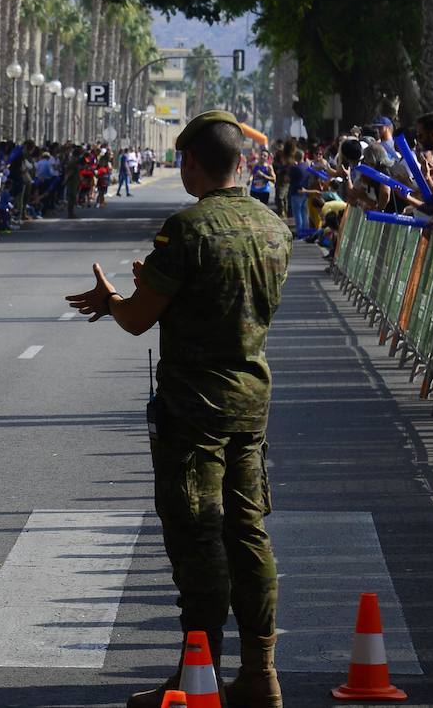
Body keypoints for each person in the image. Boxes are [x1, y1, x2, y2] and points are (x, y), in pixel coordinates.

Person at [65, 110, 291, 708]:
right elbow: (230, 302)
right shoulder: (273, 224)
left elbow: (140, 318)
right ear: (240, 161)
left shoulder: (187, 229)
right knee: (248, 531)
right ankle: (262, 672)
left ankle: (200, 676)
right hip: (251, 398)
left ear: (191, 162)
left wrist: (114, 298)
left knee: (197, 537)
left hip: (194, 406)